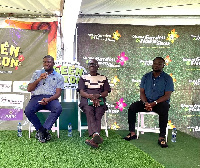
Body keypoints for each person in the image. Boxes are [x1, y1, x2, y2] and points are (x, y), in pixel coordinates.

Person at [124, 57, 174, 148]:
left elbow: (167, 95)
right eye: (155, 63)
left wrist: (154, 103)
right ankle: (132, 133)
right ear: (152, 64)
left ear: (163, 65)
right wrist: (145, 103)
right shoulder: (146, 77)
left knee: (164, 108)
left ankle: (162, 137)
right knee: (132, 107)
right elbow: (142, 92)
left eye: (159, 64)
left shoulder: (167, 78)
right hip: (147, 103)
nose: (156, 65)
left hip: (159, 103)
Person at [24, 55, 64, 143]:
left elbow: (58, 94)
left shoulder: (59, 77)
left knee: (58, 108)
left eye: (49, 62)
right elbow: (29, 89)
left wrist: (48, 99)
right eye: (45, 62)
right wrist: (39, 79)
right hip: (37, 97)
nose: (46, 64)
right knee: (28, 110)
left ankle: (43, 131)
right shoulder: (37, 73)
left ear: (53, 63)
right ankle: (41, 130)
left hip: (51, 98)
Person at [77, 59, 111, 148]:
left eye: (94, 64)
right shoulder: (83, 77)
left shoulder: (103, 78)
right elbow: (81, 92)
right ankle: (96, 134)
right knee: (89, 110)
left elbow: (106, 92)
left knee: (99, 112)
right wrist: (91, 97)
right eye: (90, 64)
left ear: (98, 66)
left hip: (100, 99)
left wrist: (98, 96)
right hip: (86, 99)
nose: (92, 65)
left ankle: (94, 137)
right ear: (88, 66)